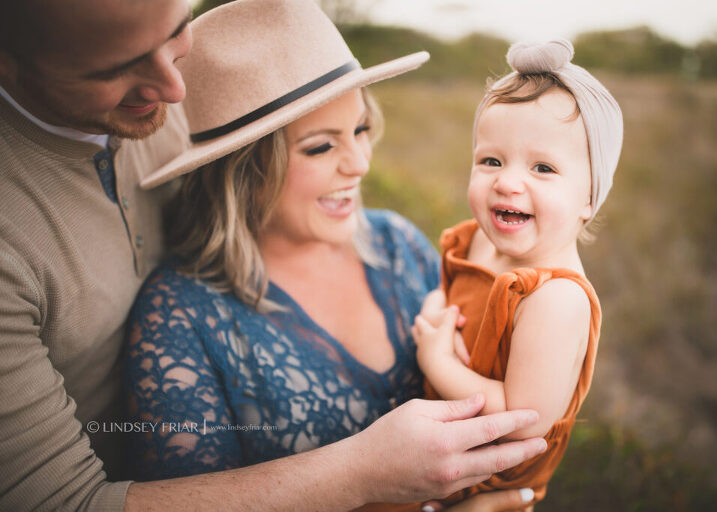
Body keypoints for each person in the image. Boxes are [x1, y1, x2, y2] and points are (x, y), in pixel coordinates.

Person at [0, 0, 545, 510]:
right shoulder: (181, 318)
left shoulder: (397, 244)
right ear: (245, 175)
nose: (358, 162)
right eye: (320, 146)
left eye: (360, 129)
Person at [409, 40, 624, 510]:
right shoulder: (481, 242)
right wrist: (433, 315)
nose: (508, 181)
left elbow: (521, 420)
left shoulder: (556, 299)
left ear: (590, 197)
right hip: (438, 447)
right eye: (491, 160)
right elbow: (448, 295)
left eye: (543, 167)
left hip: (480, 480)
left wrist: (437, 361)